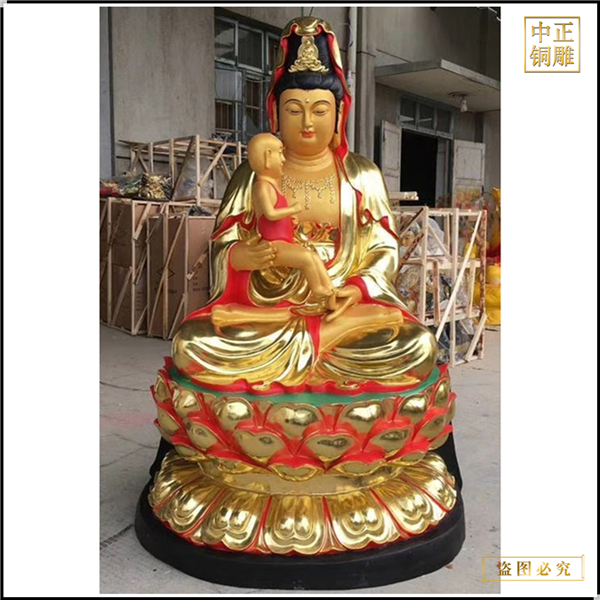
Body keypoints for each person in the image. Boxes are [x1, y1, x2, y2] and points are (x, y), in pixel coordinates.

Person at [172, 16, 437, 392]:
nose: (307, 123)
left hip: (340, 307)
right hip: (267, 309)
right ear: (276, 114)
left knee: (417, 345)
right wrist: (239, 257)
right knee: (193, 343)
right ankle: (316, 356)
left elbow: (383, 248)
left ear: (339, 114)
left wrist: (357, 289)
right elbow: (224, 242)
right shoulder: (251, 174)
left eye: (320, 110)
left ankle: (309, 354)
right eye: (295, 110)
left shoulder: (361, 174)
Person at [247, 132, 336, 308]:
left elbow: (276, 216)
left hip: (284, 241)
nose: (283, 159)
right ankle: (318, 290)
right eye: (280, 153)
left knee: (313, 256)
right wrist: (292, 210)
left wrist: (289, 218)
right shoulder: (261, 186)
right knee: (305, 258)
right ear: (267, 157)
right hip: (272, 245)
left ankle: (331, 290)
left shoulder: (272, 185)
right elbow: (270, 214)